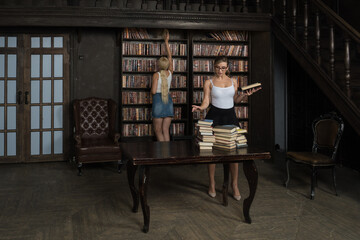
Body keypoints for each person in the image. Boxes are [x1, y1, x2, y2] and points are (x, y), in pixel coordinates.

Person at [192, 56, 261, 200]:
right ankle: (211, 183)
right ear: (214, 67)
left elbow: (234, 100)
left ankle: (234, 185)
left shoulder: (234, 81)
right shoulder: (208, 82)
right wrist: (200, 108)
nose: (220, 71)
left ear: (227, 68)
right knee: (211, 151)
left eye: (223, 68)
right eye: (218, 67)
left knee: (234, 151)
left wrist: (244, 96)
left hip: (230, 116)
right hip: (214, 116)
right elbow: (206, 101)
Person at [151, 29, 173, 141]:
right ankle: (167, 154)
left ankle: (162, 154)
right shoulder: (170, 72)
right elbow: (170, 57)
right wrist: (166, 42)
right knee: (165, 130)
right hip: (168, 102)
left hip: (158, 101)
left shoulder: (156, 75)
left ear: (159, 64)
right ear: (168, 64)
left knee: (158, 130)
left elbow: (154, 91)